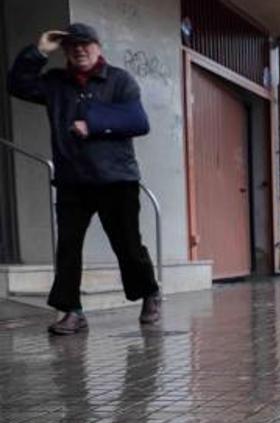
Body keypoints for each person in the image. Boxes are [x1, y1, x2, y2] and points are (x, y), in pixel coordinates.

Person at [7, 23, 161, 335]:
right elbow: (18, 85)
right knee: (68, 248)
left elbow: (138, 121)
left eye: (86, 44)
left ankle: (150, 294)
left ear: (98, 47)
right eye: (72, 45)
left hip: (117, 179)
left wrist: (92, 123)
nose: (80, 50)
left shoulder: (119, 80)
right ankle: (72, 311)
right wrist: (38, 51)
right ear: (64, 51)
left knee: (128, 245)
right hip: (72, 180)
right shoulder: (55, 83)